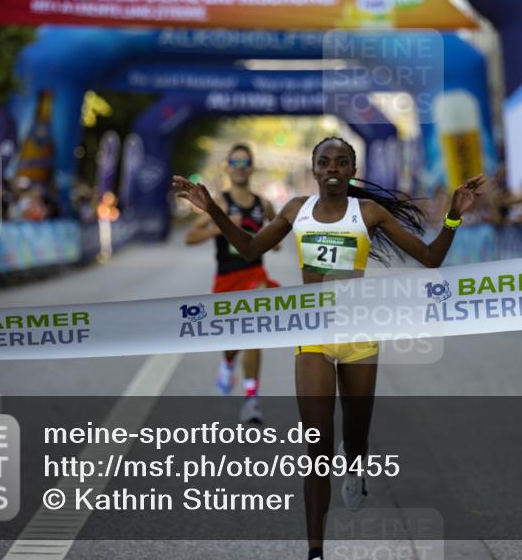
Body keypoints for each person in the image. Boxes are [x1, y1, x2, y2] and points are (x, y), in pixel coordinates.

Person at [174, 137, 484, 560]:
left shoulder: (368, 212)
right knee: (317, 448)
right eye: (324, 162)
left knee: (354, 440)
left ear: (352, 169)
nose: (332, 168)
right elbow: (248, 249)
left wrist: (452, 217)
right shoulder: (295, 210)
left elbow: (430, 260)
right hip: (313, 334)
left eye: (341, 161)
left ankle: (355, 464)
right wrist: (212, 209)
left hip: (359, 335)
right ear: (315, 169)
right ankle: (315, 551)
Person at [184, 144, 280, 425]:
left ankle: (252, 400)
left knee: (253, 334)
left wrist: (267, 240)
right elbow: (190, 237)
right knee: (232, 340)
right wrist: (221, 224)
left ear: (251, 168)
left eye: (245, 161)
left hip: (255, 276)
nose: (239, 165)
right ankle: (227, 364)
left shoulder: (264, 205)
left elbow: (277, 237)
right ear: (228, 167)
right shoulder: (221, 203)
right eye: (235, 161)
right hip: (226, 278)